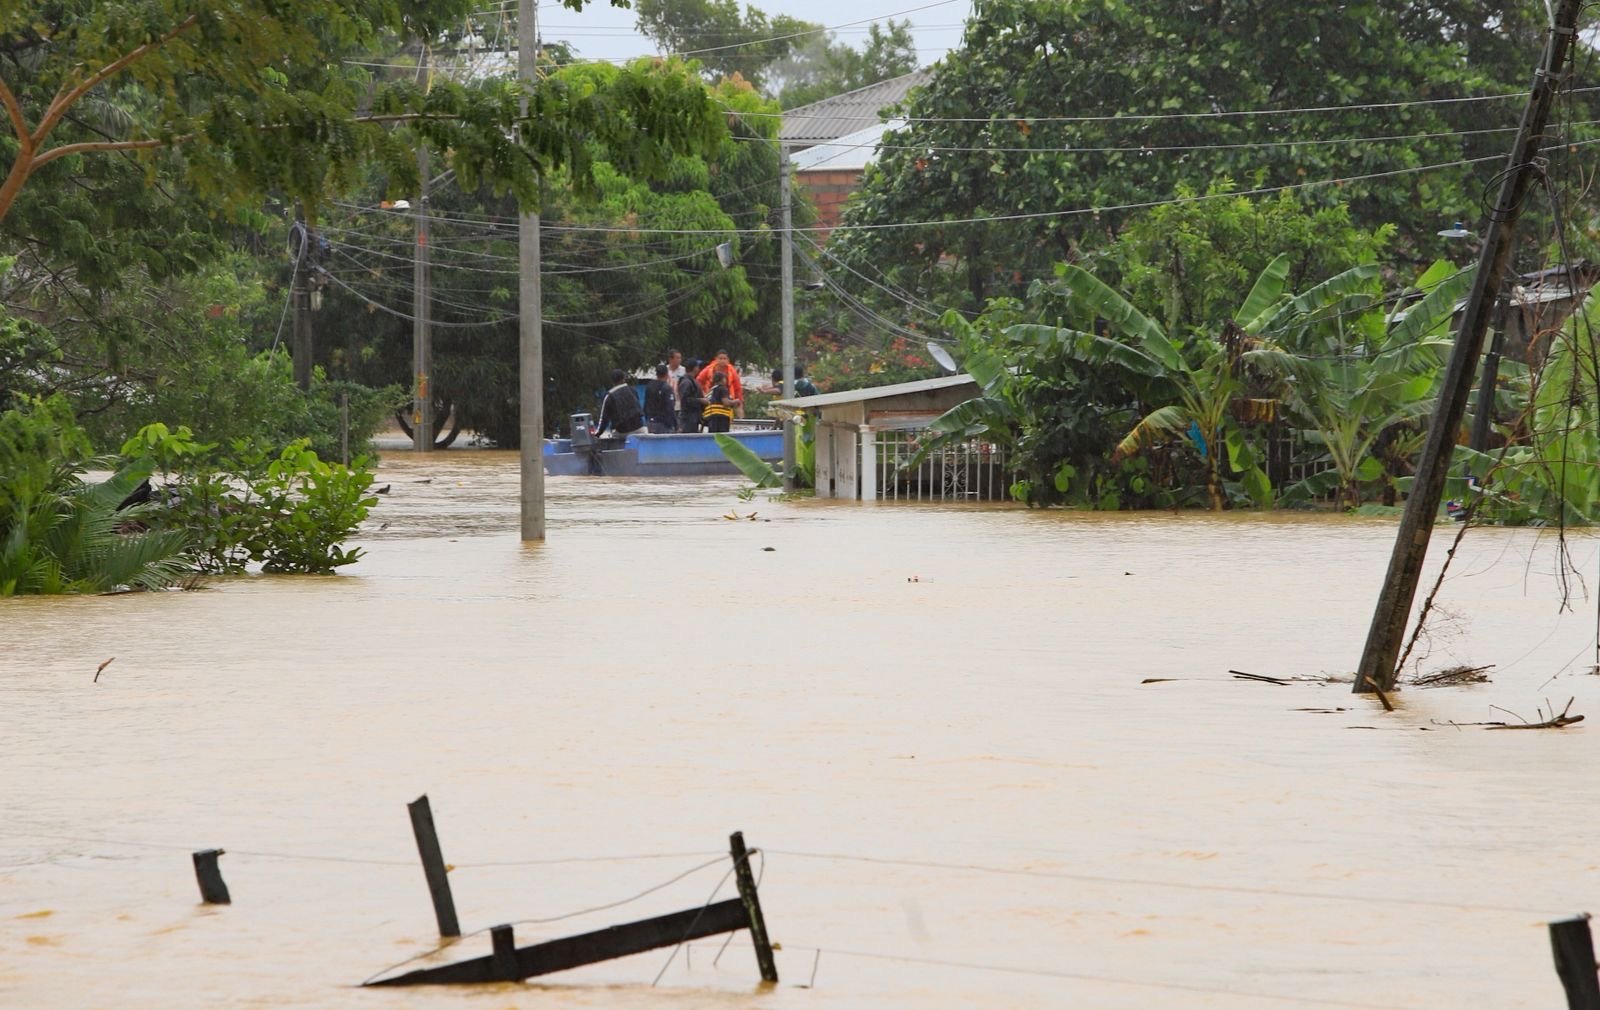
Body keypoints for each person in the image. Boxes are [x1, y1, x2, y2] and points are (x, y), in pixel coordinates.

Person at [594, 369, 644, 437]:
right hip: (639, 429)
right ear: (624, 379)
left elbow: (604, 419)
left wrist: (597, 434)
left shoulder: (609, 396)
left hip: (622, 432)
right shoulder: (632, 390)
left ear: (612, 382)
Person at [643, 363, 677, 433]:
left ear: (656, 374)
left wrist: (648, 418)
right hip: (663, 424)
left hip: (651, 422)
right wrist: (676, 425)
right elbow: (670, 407)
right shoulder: (667, 388)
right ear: (667, 374)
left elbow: (646, 405)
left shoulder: (649, 386)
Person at [676, 358, 706, 433]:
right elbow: (685, 400)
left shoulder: (692, 380)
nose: (699, 368)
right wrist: (700, 400)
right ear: (695, 368)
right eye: (698, 366)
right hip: (688, 420)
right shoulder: (686, 382)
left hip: (694, 418)